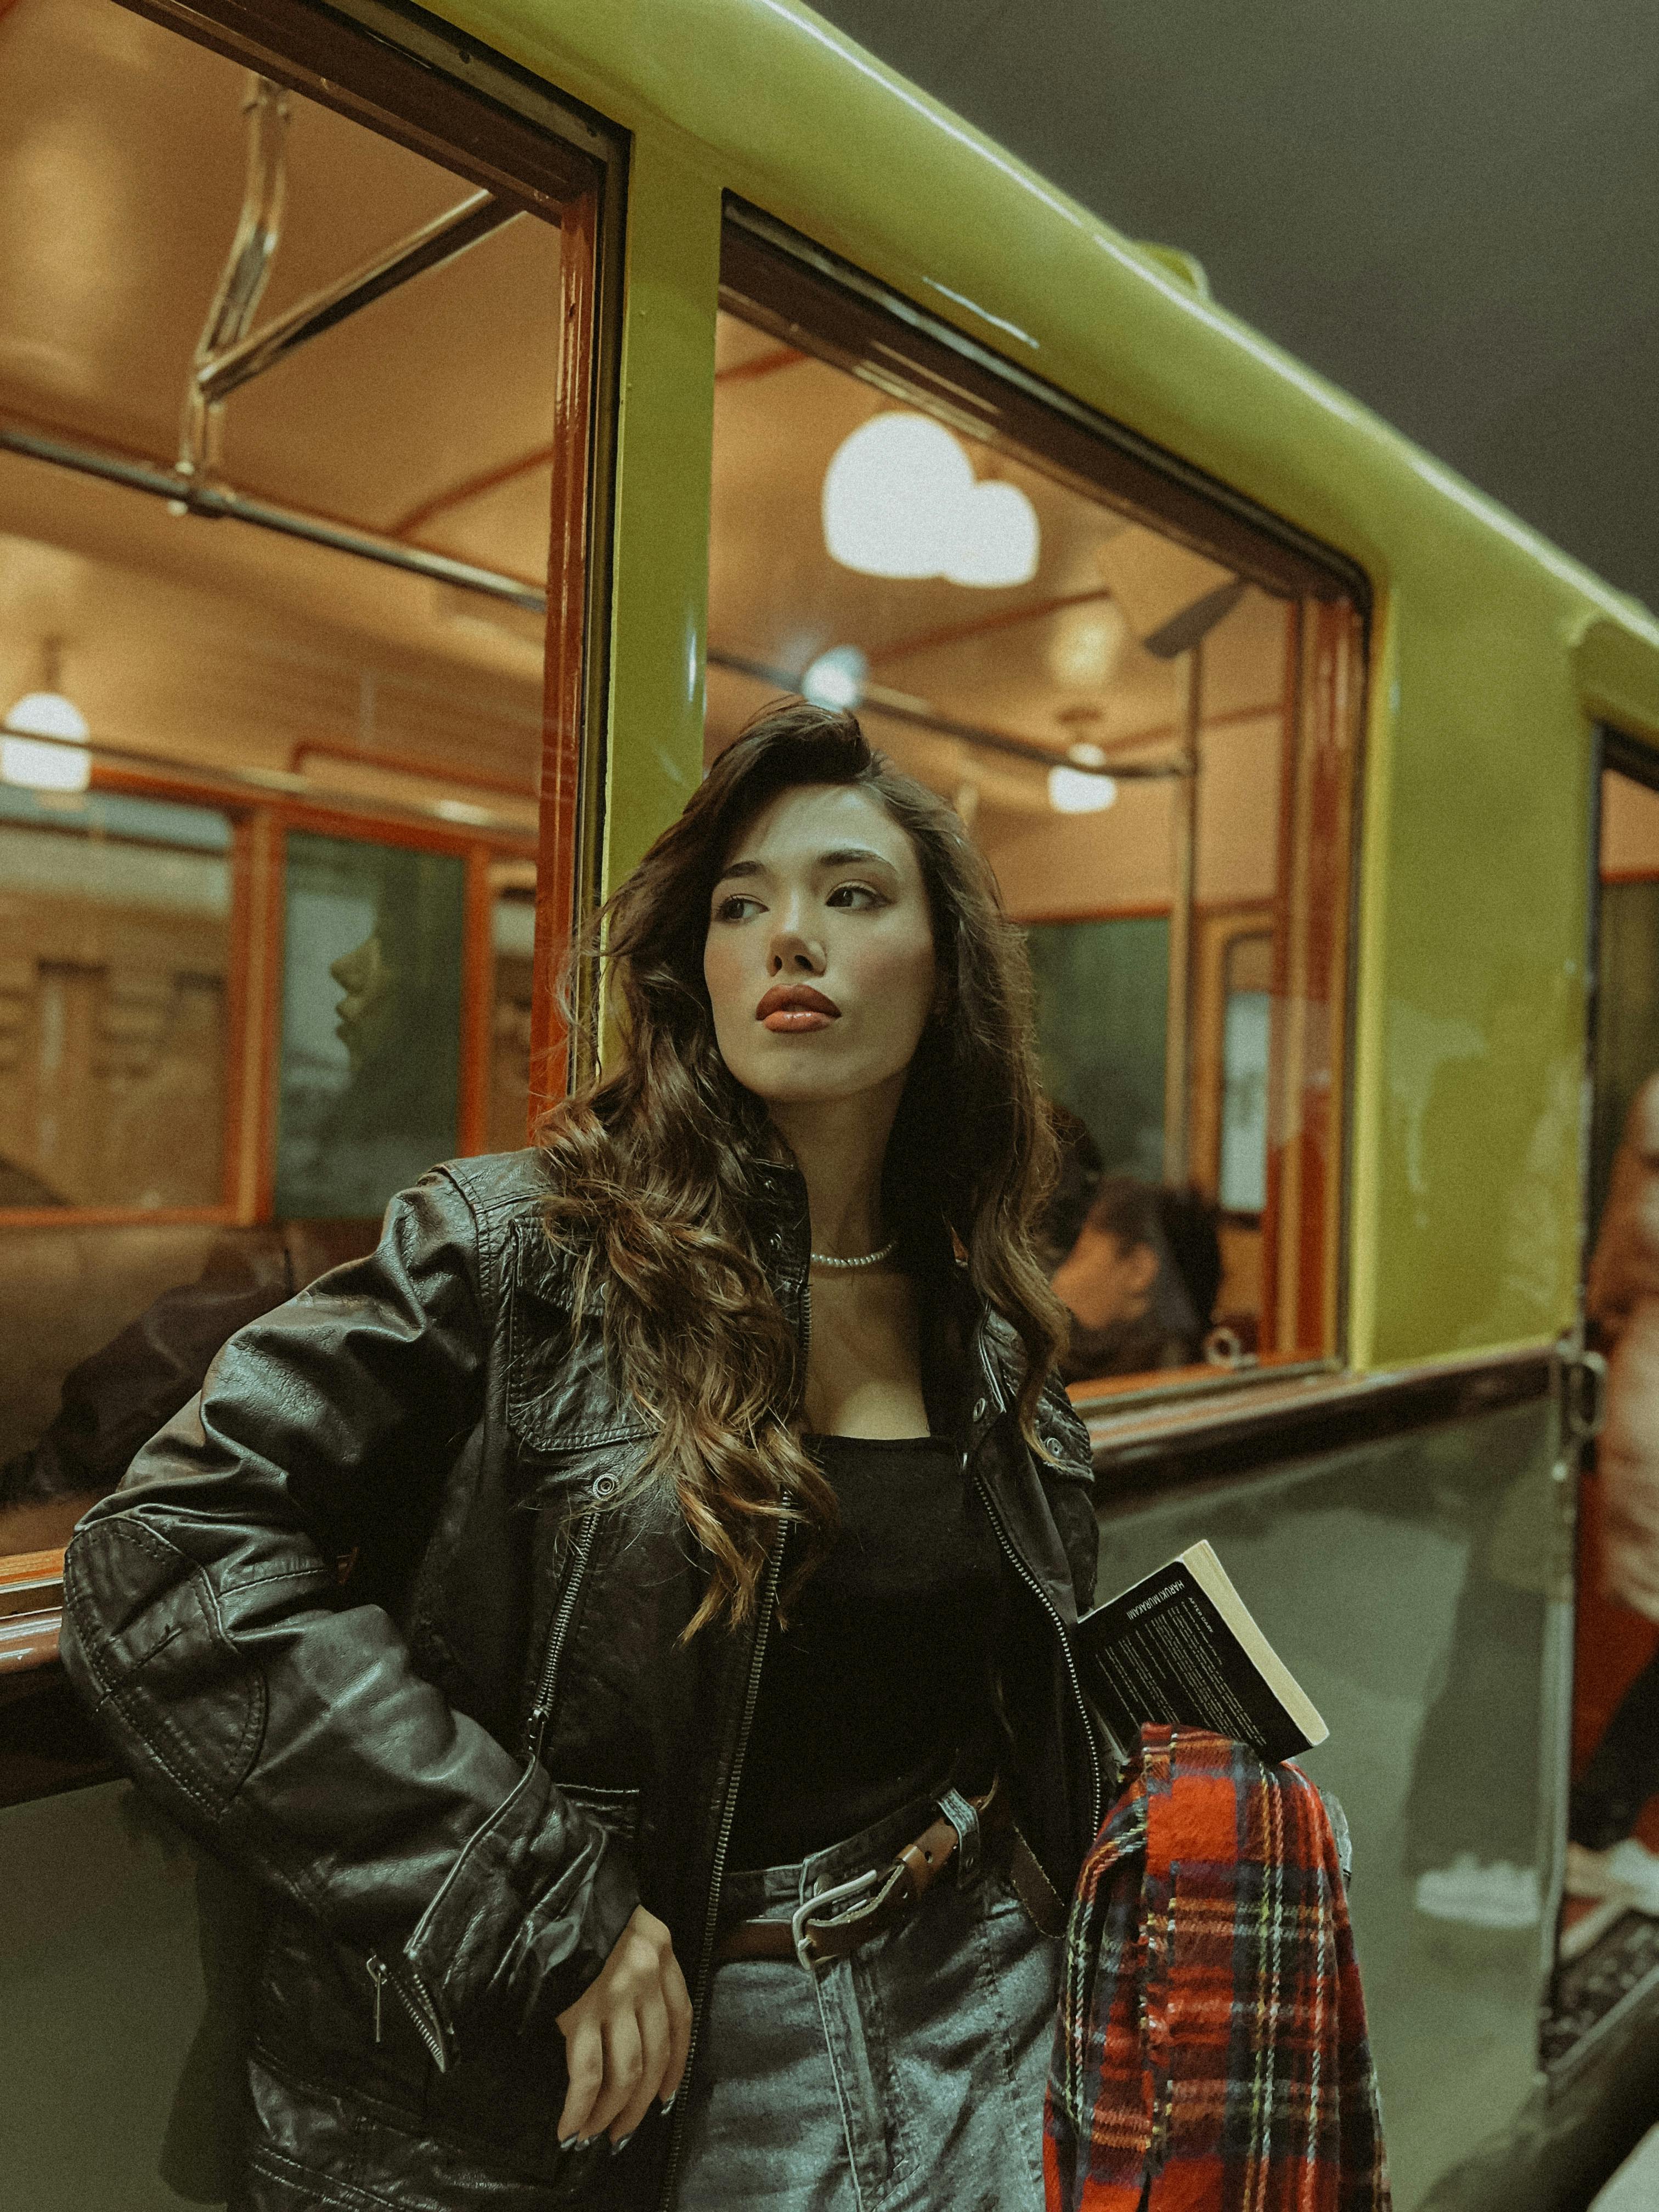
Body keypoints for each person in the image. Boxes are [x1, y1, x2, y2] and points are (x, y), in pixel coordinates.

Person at [59, 702, 1104, 2212]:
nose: (788, 939)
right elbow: (169, 1555)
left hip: (971, 2009)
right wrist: (535, 1899)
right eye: (743, 905)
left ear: (947, 979)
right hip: (639, 2056)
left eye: (852, 896)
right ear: (701, 967)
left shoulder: (984, 1312)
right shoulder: (518, 1249)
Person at [1049, 1175, 1222, 1384]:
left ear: (1138, 1270)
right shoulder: (1185, 1363)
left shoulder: (1134, 1380)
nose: (1057, 1278)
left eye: (1076, 1256)